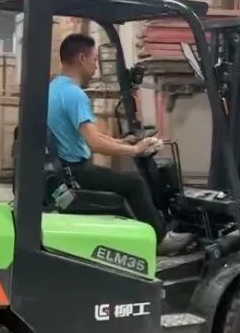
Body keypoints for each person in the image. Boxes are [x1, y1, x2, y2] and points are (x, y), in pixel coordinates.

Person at [48, 33, 194, 255]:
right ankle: (160, 240)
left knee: (125, 179)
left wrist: (120, 142)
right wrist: (135, 149)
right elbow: (95, 143)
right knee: (134, 184)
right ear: (81, 58)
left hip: (65, 169)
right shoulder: (74, 95)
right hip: (75, 173)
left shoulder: (55, 88)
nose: (96, 65)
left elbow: (89, 135)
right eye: (94, 59)